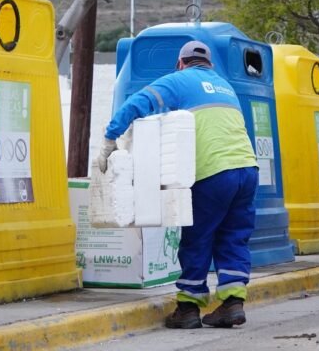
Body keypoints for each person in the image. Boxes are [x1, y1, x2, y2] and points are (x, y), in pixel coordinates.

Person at [96, 40, 259, 329]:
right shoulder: (225, 87)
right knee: (233, 236)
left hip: (214, 172)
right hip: (247, 170)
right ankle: (233, 303)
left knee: (198, 236)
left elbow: (137, 103)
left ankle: (188, 308)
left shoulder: (179, 80)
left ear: (181, 63)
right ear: (209, 64)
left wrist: (110, 139)